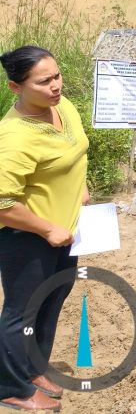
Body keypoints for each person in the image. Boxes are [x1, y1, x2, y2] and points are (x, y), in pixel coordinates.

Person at [0, 46, 89, 412]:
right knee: (22, 310)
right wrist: (47, 228)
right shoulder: (14, 137)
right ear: (15, 88)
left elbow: (75, 150)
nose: (56, 85)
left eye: (57, 75)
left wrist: (80, 186)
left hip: (66, 231)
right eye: (44, 81)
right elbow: (2, 202)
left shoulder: (61, 107)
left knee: (53, 298)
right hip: (29, 238)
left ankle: (33, 369)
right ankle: (11, 387)